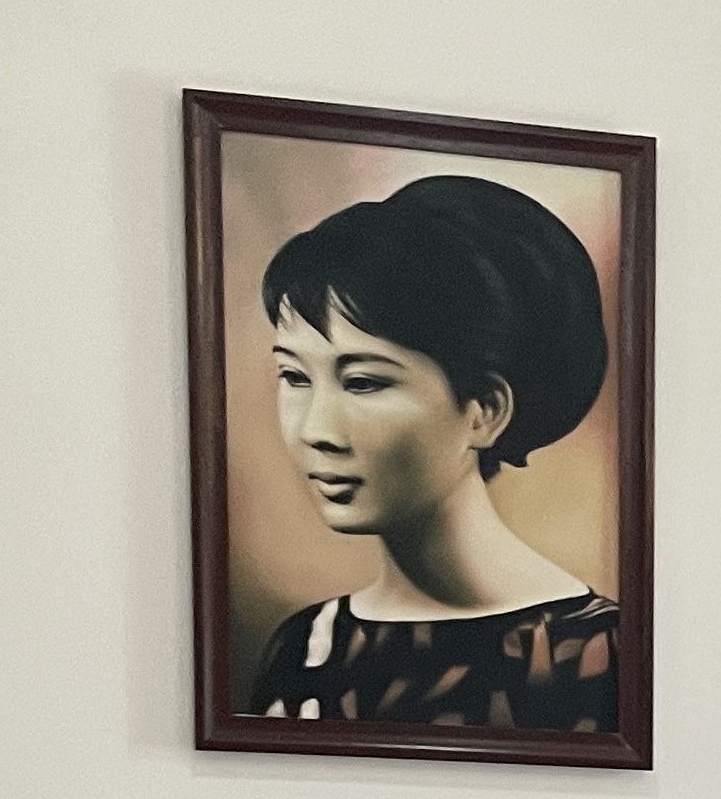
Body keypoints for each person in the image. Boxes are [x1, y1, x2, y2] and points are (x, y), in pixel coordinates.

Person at [243, 173, 619, 734]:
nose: (315, 430)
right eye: (295, 377)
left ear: (485, 411)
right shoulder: (306, 649)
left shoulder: (599, 657)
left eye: (364, 382)